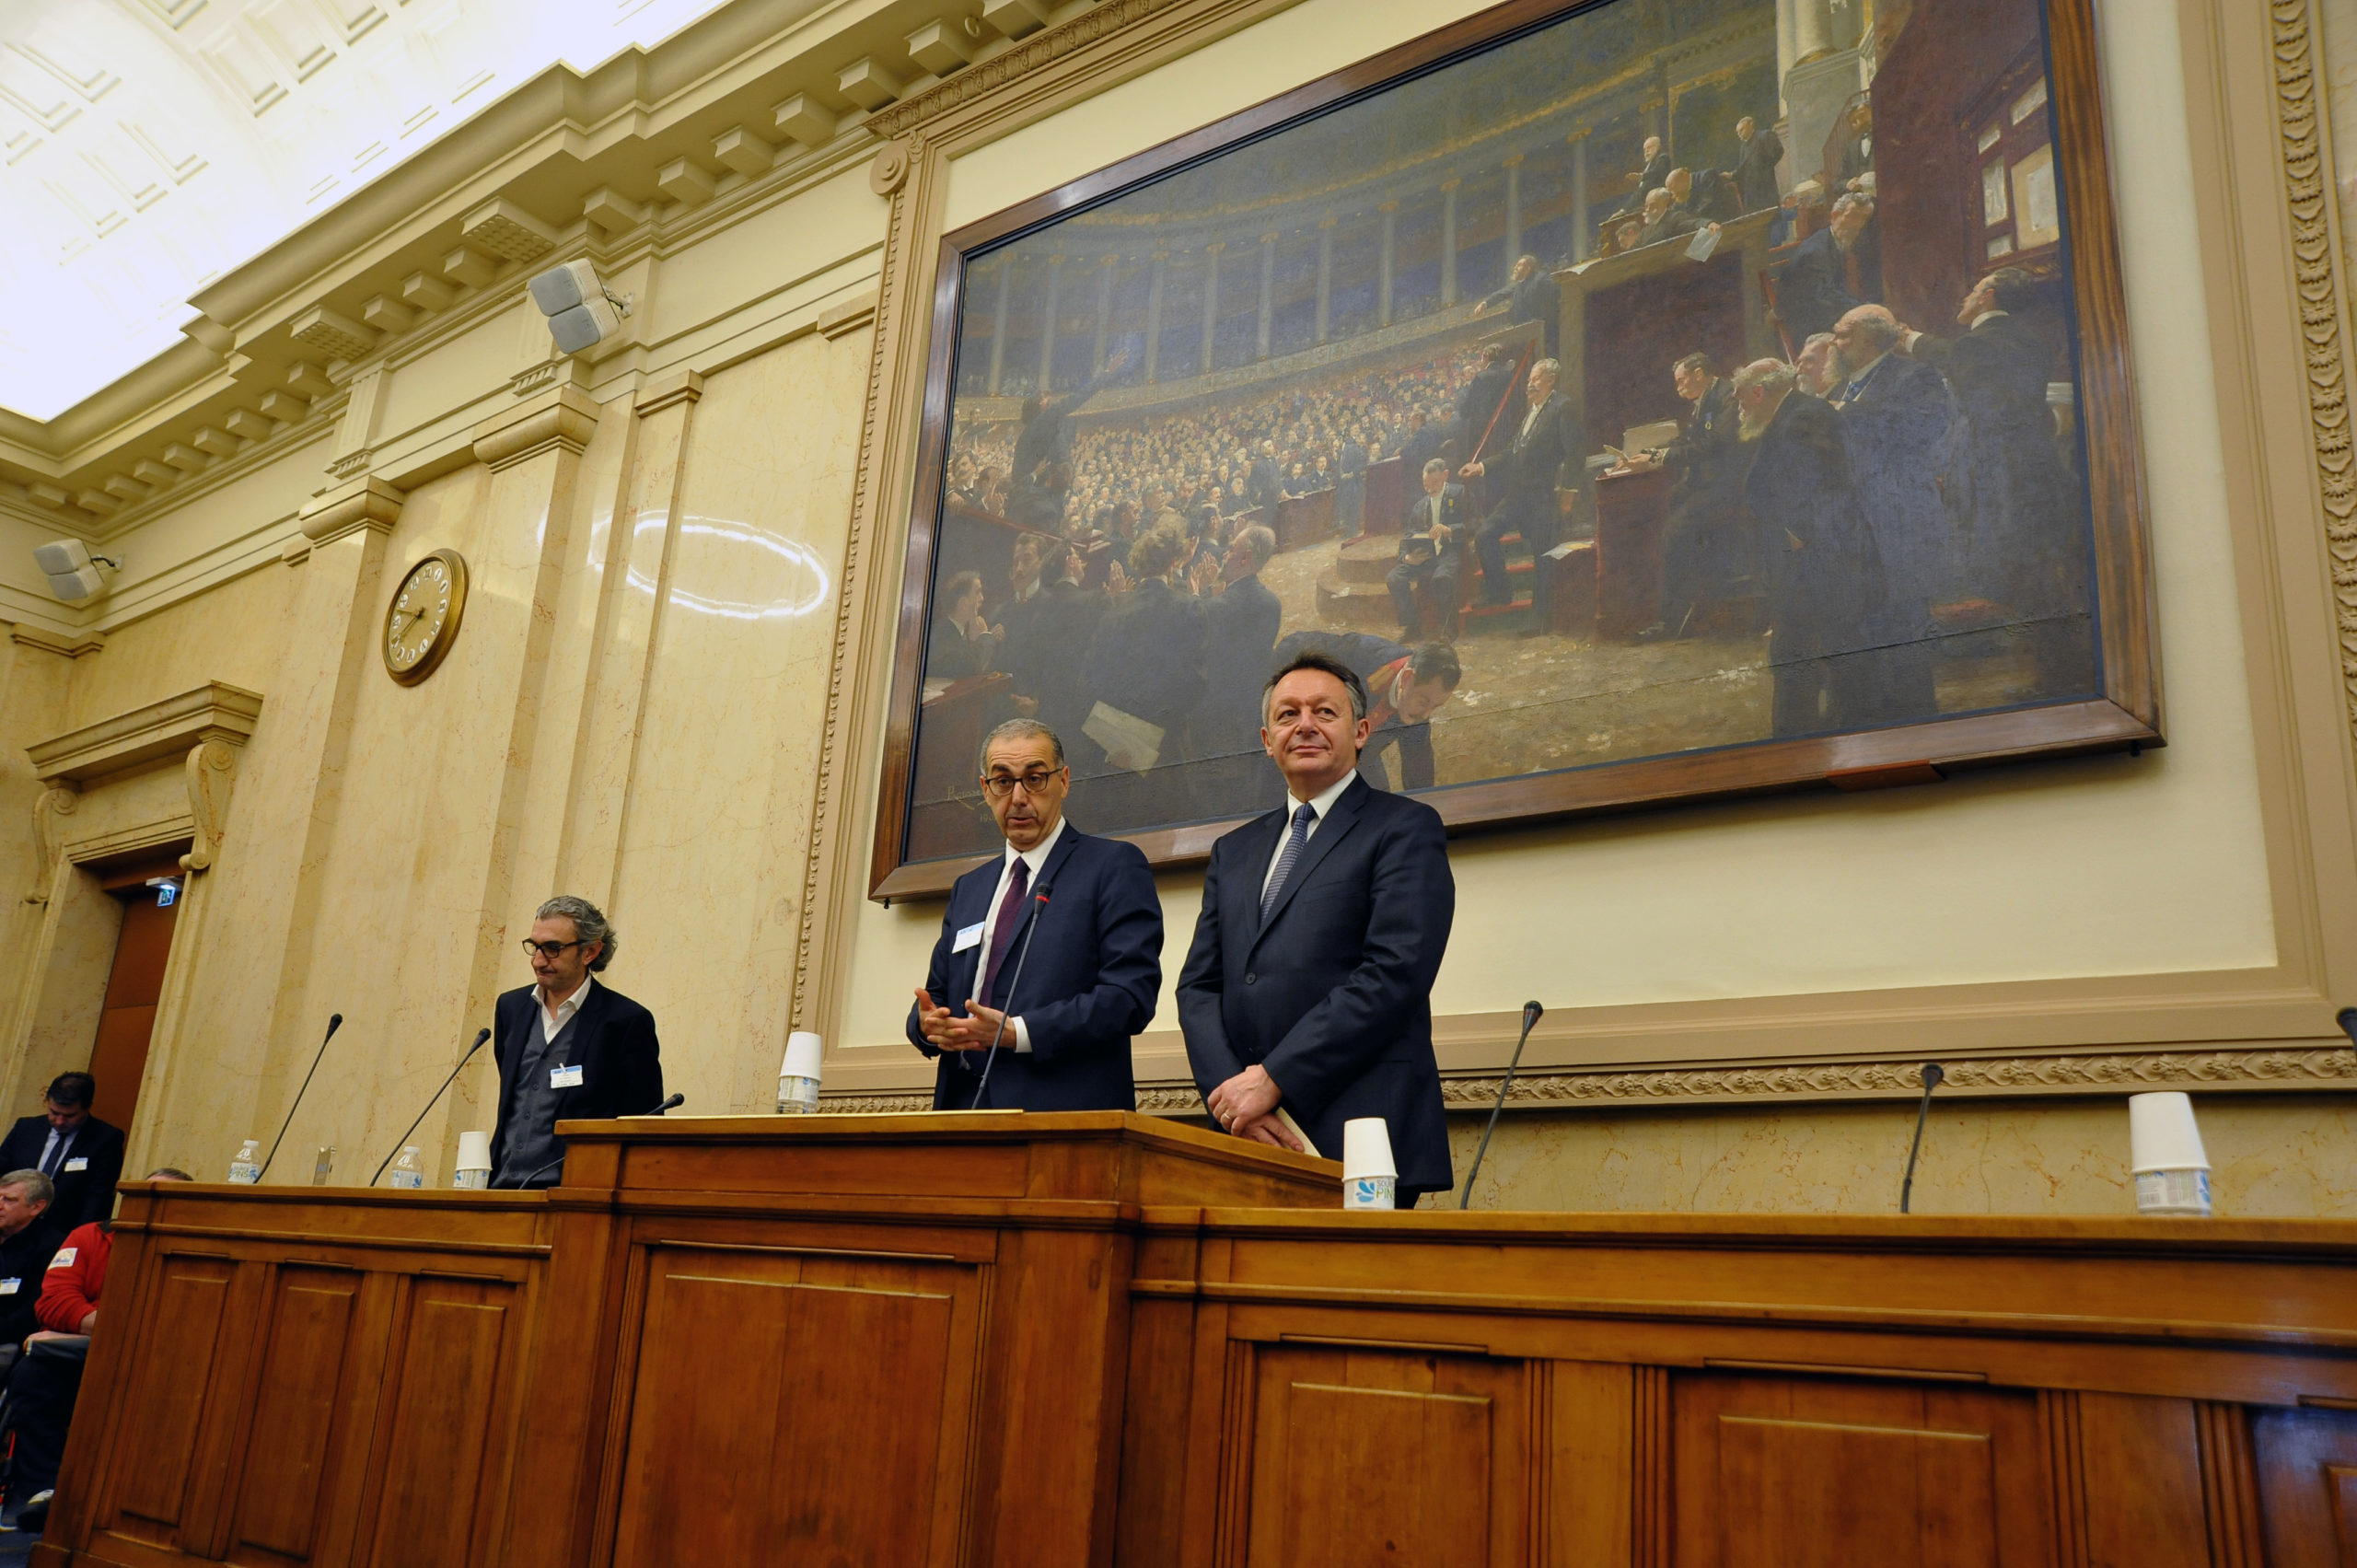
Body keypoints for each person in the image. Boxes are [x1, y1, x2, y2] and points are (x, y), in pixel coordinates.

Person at [1177, 652, 1456, 1202]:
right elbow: (1199, 987)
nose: (1304, 725)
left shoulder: (1404, 829)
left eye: (1324, 712)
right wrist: (1234, 1101)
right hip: (1246, 1134)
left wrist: (1273, 1078)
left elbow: (1394, 973)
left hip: (1359, 1130)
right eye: (1288, 714)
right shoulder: (1234, 850)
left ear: (1362, 731)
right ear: (1267, 740)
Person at [909, 720, 1162, 1110]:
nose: (1018, 797)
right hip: (960, 1114)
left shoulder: (1112, 866)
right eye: (1003, 781)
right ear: (985, 790)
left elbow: (1130, 997)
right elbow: (938, 994)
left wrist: (1017, 1032)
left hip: (1062, 1116)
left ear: (1064, 781)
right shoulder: (969, 888)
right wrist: (927, 1024)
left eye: (1034, 779)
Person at [1902, 268, 2092, 689]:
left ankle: (2060, 679)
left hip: (2007, 481)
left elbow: (1960, 360)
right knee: (2037, 581)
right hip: (2034, 474)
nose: (1965, 298)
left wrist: (1911, 340)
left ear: (1988, 295)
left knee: (2031, 581)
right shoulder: (2029, 341)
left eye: (1972, 291)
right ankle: (2057, 675)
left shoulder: (1981, 343)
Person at [4, 1167, 193, 1531]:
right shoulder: (89, 1236)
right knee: (32, 1376)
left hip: (154, 1355)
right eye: (146, 1195)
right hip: (79, 1351)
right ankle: (44, 1491)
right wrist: (106, 1326)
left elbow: (176, 1314)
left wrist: (87, 1328)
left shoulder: (195, 1249)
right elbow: (53, 1303)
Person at [1733, 358, 1887, 737]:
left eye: (1740, 400)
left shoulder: (1804, 416)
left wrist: (1798, 532)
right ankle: (1807, 737)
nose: (1740, 409)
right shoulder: (1790, 416)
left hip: (1822, 559)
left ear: (1759, 392)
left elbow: (1826, 483)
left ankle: (1804, 742)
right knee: (1806, 655)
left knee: (1810, 655)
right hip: (1807, 559)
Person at [1829, 304, 1955, 725]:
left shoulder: (1914, 375)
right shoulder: (1844, 385)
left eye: (1843, 334)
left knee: (1904, 627)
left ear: (1869, 338)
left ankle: (1917, 724)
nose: (1835, 343)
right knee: (1861, 626)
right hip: (1855, 528)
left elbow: (1925, 427)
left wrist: (1849, 413)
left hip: (1899, 521)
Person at [489, 896, 665, 1189]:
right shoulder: (511, 1008)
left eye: (553, 949)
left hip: (577, 1193)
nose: (538, 960)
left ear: (590, 952)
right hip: (502, 1188)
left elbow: (644, 1122)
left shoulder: (625, 1021)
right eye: (534, 946)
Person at [1622, 354, 1750, 640]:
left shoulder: (1727, 395)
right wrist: (1649, 454)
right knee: (1658, 511)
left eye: (1681, 380)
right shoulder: (1706, 398)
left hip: (1727, 486)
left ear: (1699, 373)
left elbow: (1713, 445)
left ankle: (1671, 620)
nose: (1678, 387)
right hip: (1703, 482)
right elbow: (1689, 439)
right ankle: (1684, 605)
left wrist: (1658, 458)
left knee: (1675, 531)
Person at [1464, 355, 1585, 635]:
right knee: (1485, 535)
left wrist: (1568, 493)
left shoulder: (1563, 407)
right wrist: (1481, 467)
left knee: (1543, 556)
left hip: (1543, 497)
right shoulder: (1531, 412)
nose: (1530, 384)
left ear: (1551, 379)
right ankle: (1500, 592)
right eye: (1529, 379)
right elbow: (1511, 452)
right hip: (1516, 496)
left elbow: (1575, 455)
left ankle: (1540, 618)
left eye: (1535, 378)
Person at [1271, 632, 1460, 791]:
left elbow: (1418, 768)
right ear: (1407, 677)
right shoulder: (1359, 661)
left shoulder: (1419, 701)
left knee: (1379, 800)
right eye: (1424, 702)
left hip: (1358, 749)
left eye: (1435, 707)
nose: (1426, 714)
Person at [1191, 525, 1285, 817]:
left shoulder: (1216, 607)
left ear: (1245, 557)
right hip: (1252, 711)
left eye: (1231, 549)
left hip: (1216, 716)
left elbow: (1201, 645)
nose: (1225, 554)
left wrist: (1199, 593)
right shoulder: (1270, 602)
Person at [0, 1075, 123, 1233]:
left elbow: (97, 1197)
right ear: (47, 1102)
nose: (59, 1121)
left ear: (87, 1108)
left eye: (70, 1116)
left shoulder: (106, 1139)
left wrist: (79, 1238)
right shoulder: (25, 1128)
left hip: (62, 1231)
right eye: (54, 1112)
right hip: (10, 1227)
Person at [1776, 192, 1878, 343]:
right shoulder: (1815, 252)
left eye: (1864, 218)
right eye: (1853, 216)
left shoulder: (1839, 242)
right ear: (1834, 215)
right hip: (1808, 330)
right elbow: (1825, 297)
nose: (1858, 225)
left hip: (1829, 317)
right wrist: (1864, 310)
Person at [1387, 459, 1469, 639]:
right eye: (1426, 485)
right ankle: (1412, 627)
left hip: (1450, 552)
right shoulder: (1420, 505)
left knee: (1442, 578)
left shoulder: (1460, 493)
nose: (1430, 489)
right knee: (1394, 578)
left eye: (1435, 483)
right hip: (1424, 556)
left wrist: (1450, 530)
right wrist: (1407, 557)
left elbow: (1475, 523)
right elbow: (1408, 535)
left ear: (1446, 475)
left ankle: (1448, 628)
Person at [1477, 254, 1561, 359]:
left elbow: (1554, 296)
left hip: (1543, 330)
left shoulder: (1541, 278)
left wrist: (1544, 319)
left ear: (1528, 268)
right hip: (1523, 331)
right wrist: (1485, 303)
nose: (1515, 268)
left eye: (1519, 265)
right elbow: (1501, 294)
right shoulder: (1518, 285)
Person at [926, 569, 1002, 684]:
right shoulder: (943, 635)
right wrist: (984, 637)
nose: (982, 598)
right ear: (963, 603)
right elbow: (971, 670)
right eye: (977, 593)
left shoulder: (964, 631)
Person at [1733, 114, 1784, 213]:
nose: (1739, 134)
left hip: (1766, 187)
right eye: (1738, 132)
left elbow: (1778, 152)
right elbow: (1743, 166)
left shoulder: (1764, 136)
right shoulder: (1743, 147)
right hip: (1751, 194)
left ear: (1751, 124)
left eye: (1741, 130)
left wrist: (1764, 168)